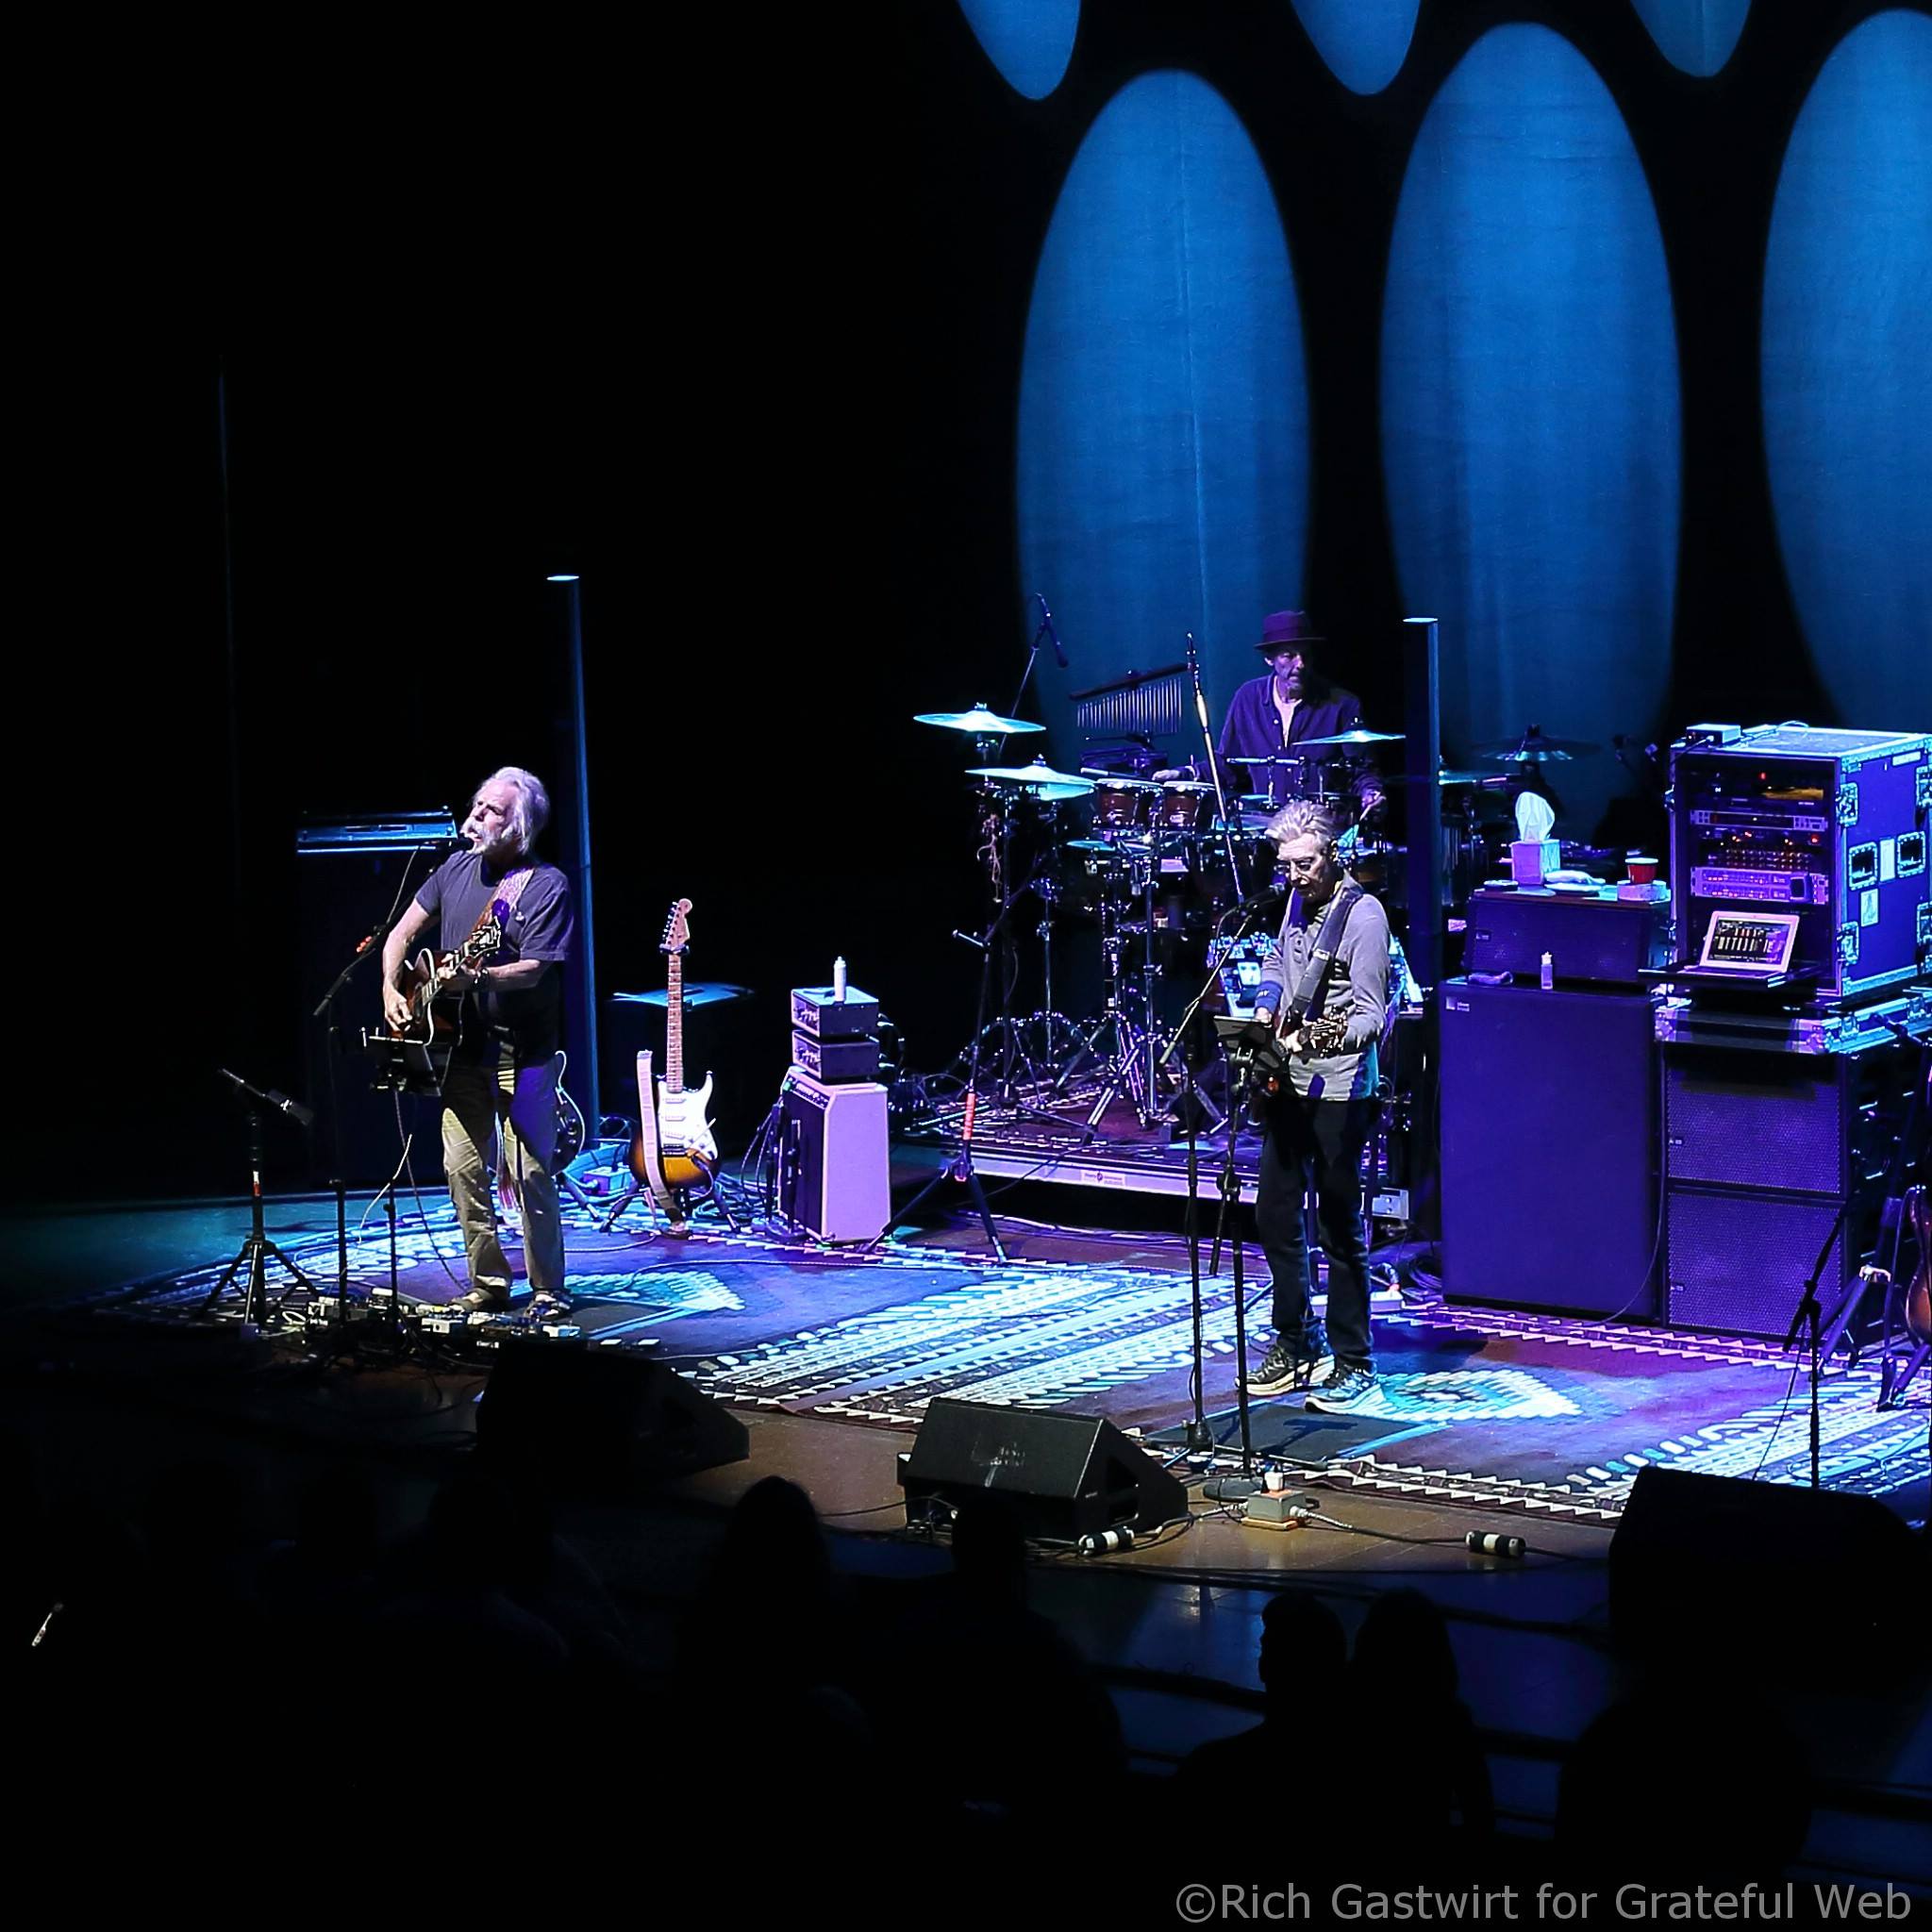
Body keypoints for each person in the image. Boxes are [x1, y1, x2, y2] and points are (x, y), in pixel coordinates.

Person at [380, 767, 575, 1313]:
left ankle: (548, 1290)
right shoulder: (452, 870)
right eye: (478, 806)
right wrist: (391, 988)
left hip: (523, 1054)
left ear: (521, 824)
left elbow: (537, 967)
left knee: (531, 1173)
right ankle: (489, 1283)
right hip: (459, 1053)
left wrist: (481, 977)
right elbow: (400, 935)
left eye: (491, 810)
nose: (476, 818)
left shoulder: (545, 885)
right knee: (463, 1172)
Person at [1241, 798, 1391, 1409]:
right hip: (1289, 1083)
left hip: (1339, 1087)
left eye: (1305, 864)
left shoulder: (1364, 916)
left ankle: (1354, 1360)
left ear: (1333, 854)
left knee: (1337, 1227)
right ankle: (1296, 1339)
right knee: (1275, 1217)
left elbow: (1370, 1016)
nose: (1295, 877)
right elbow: (1281, 959)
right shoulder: (1298, 901)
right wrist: (1263, 1006)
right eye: (1286, 866)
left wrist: (1309, 1037)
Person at [1216, 608, 1374, 810]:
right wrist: (1184, 774)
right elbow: (1227, 765)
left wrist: (1370, 792)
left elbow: (1361, 770)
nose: (1300, 664)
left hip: (1320, 826)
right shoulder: (1247, 698)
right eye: (1289, 656)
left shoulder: (1342, 704)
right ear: (1269, 658)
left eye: (1306, 655)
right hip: (1267, 825)